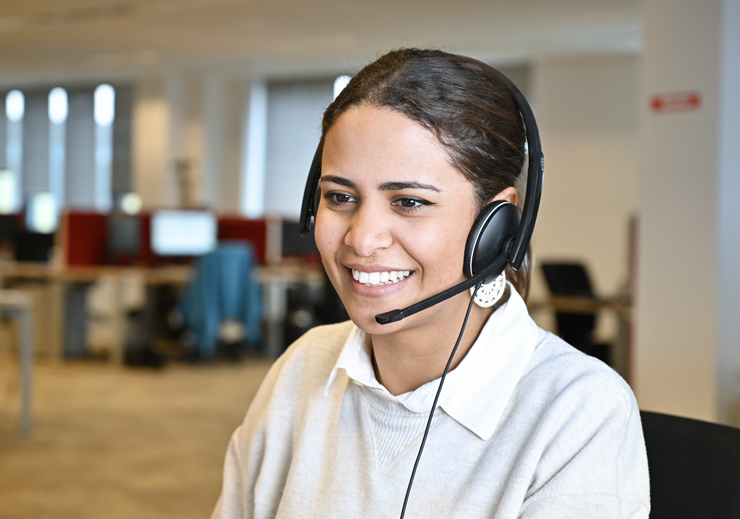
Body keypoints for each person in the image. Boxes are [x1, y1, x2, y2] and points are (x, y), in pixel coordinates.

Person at [211, 48, 650, 518]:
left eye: (409, 202)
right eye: (339, 196)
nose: (362, 239)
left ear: (498, 227)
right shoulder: (302, 367)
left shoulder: (576, 411)